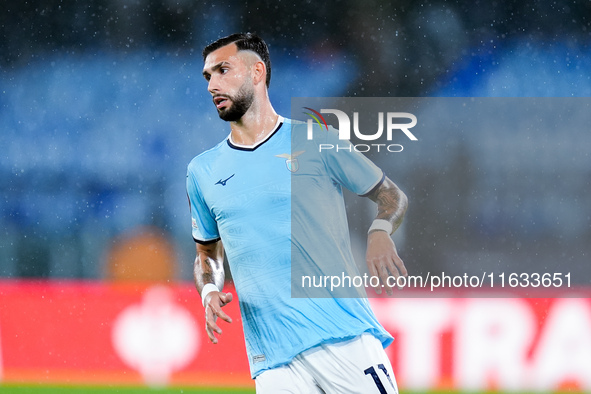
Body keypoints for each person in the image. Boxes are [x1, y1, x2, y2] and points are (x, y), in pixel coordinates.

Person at [186, 32, 408, 393]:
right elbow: (207, 254)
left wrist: (380, 230)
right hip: (271, 361)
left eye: (223, 70)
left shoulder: (316, 140)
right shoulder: (202, 171)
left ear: (256, 73)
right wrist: (209, 288)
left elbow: (391, 196)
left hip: (343, 338)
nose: (212, 84)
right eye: (207, 76)